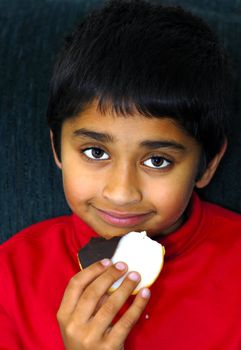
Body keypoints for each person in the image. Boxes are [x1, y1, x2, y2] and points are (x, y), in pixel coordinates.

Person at [1, 0, 241, 349]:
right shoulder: (11, 280)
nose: (121, 192)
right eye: (96, 153)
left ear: (208, 164)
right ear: (57, 150)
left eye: (157, 161)